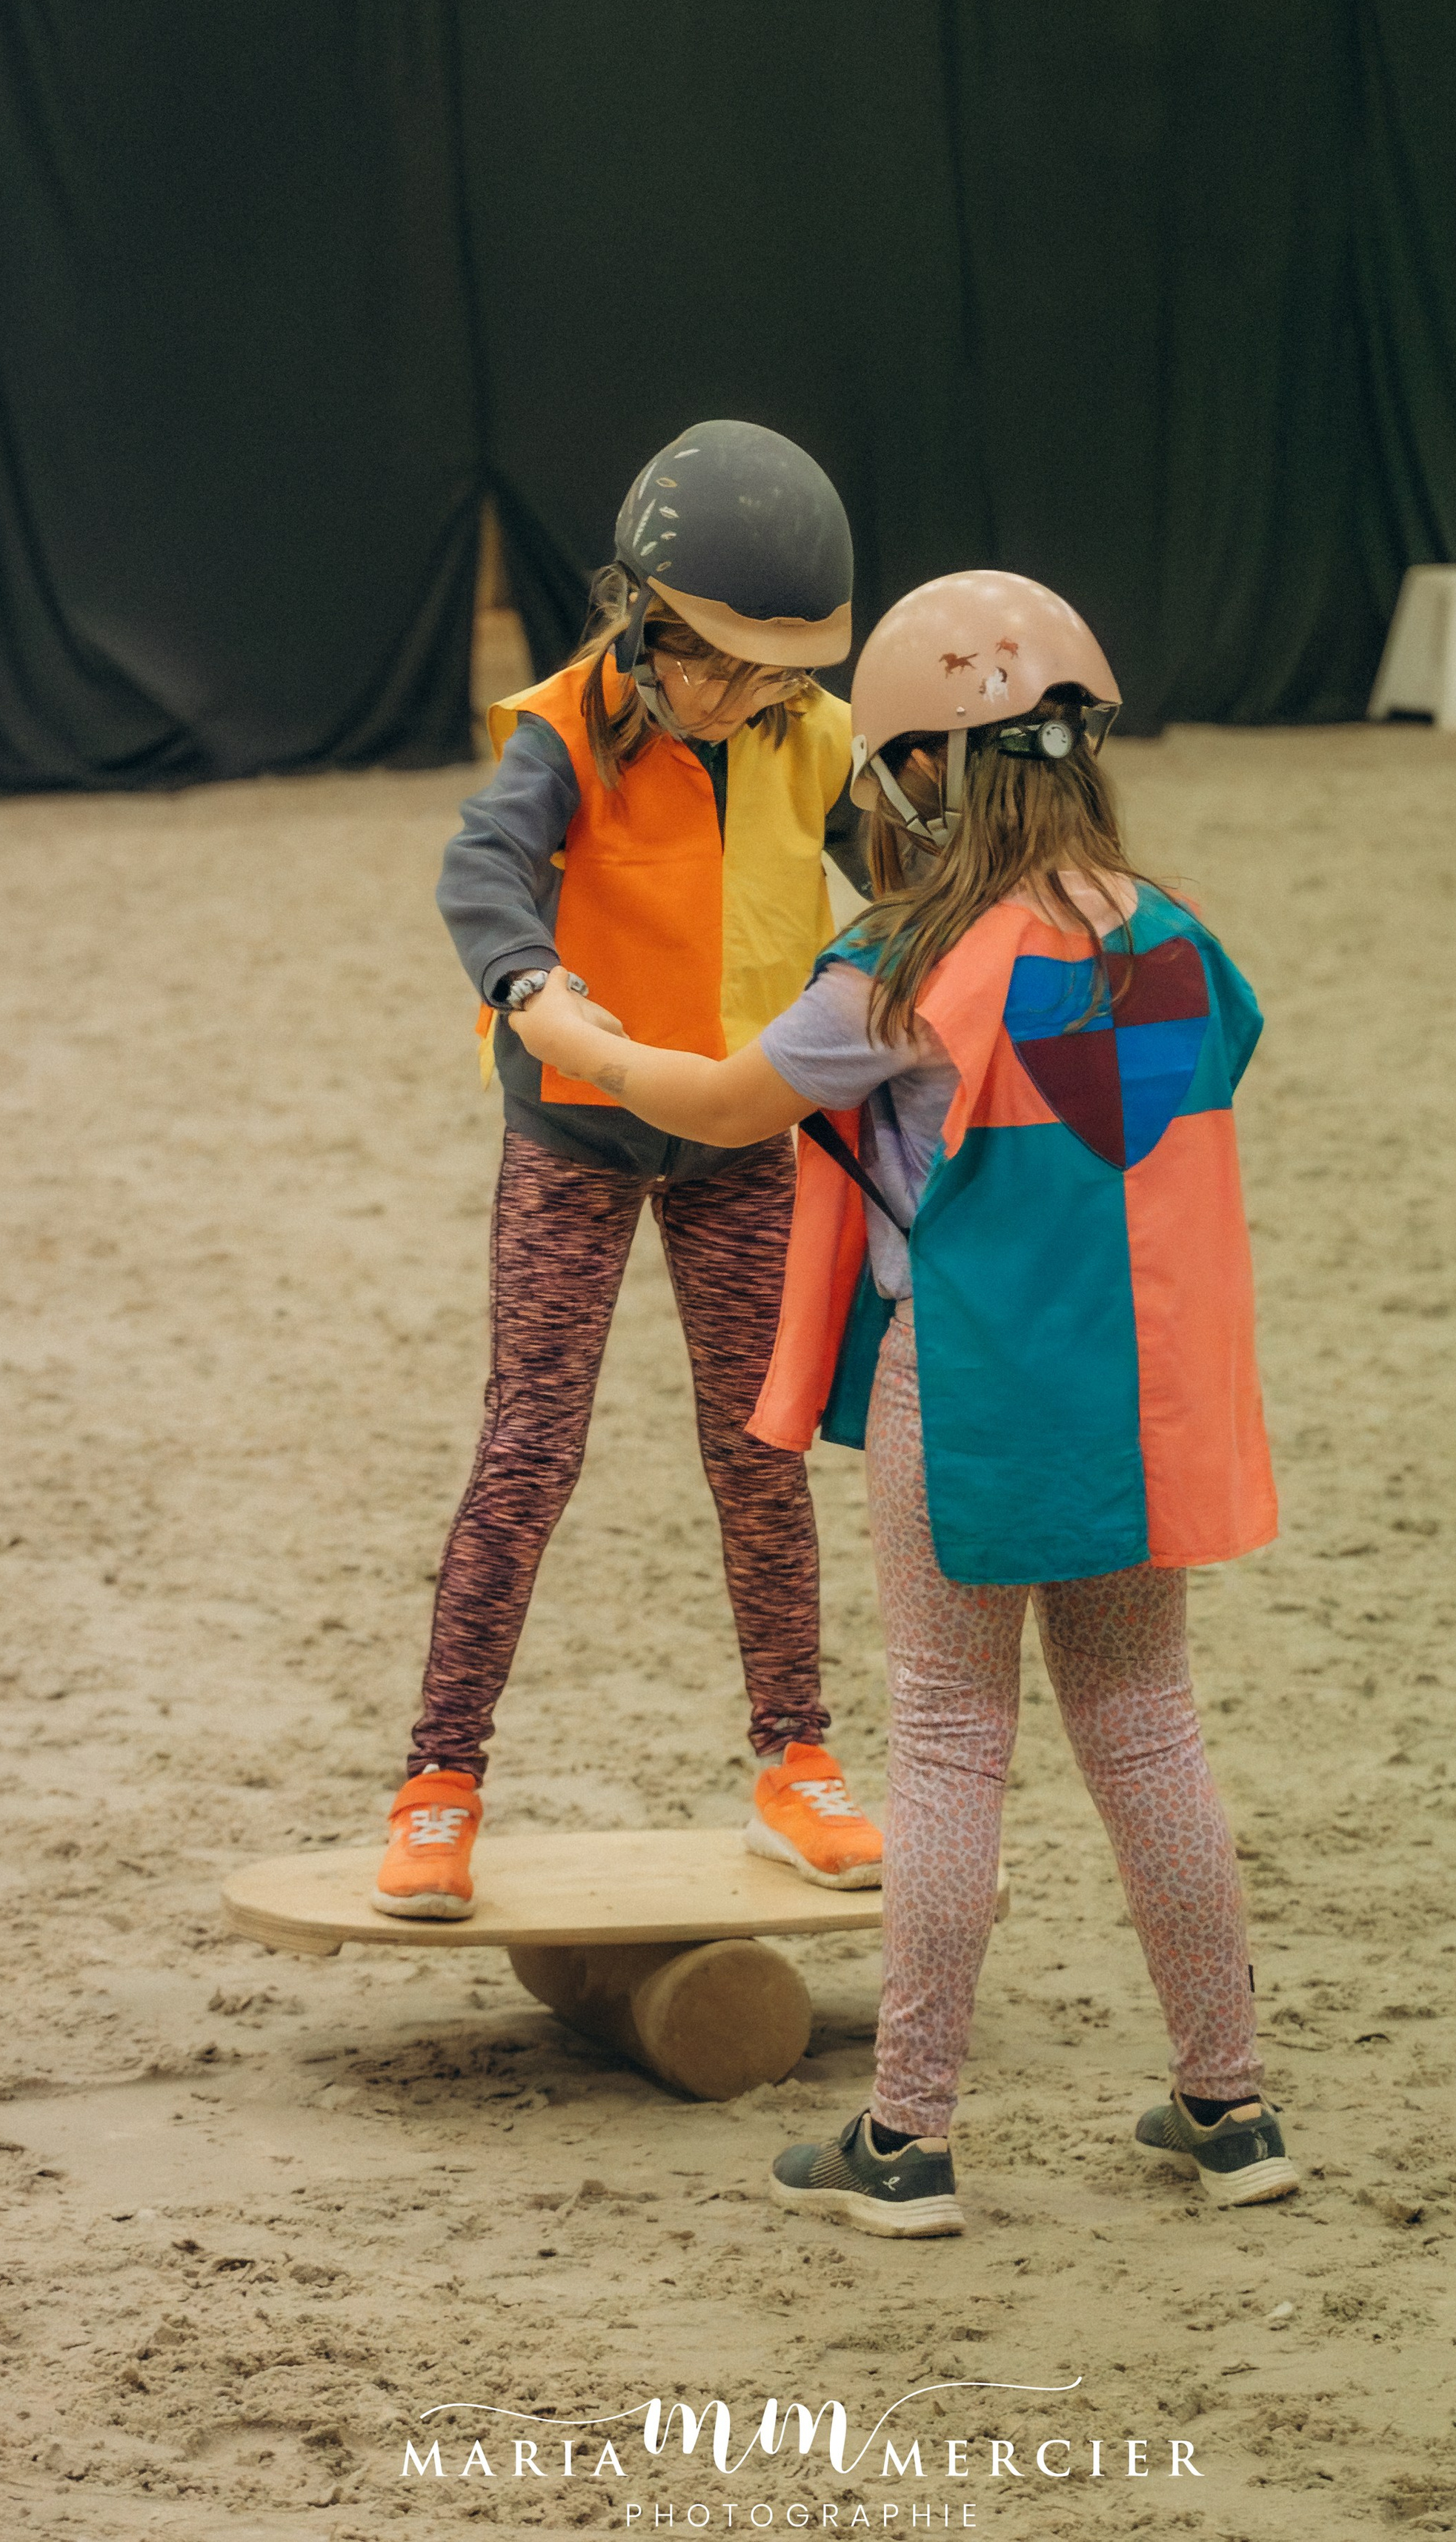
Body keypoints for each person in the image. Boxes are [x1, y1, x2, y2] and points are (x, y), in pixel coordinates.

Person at [510, 567, 1294, 2231]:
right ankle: (1228, 2109)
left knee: (945, 1744)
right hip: (1137, 1401)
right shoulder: (1175, 937)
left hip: (975, 1404)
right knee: (1145, 1725)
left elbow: (720, 1105)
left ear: (926, 767)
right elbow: (1217, 1060)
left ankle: (908, 2140)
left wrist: (562, 1023)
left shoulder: (902, 960)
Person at [374, 421, 884, 1919]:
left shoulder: (812, 736)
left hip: (739, 1138)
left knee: (760, 1449)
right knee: (528, 1451)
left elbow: (911, 879)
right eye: (721, 665)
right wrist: (529, 985)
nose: (748, 697)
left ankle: (794, 1761)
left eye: (779, 672)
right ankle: (438, 1783)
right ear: (647, 624)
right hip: (577, 1138)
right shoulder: (566, 727)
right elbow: (479, 870)